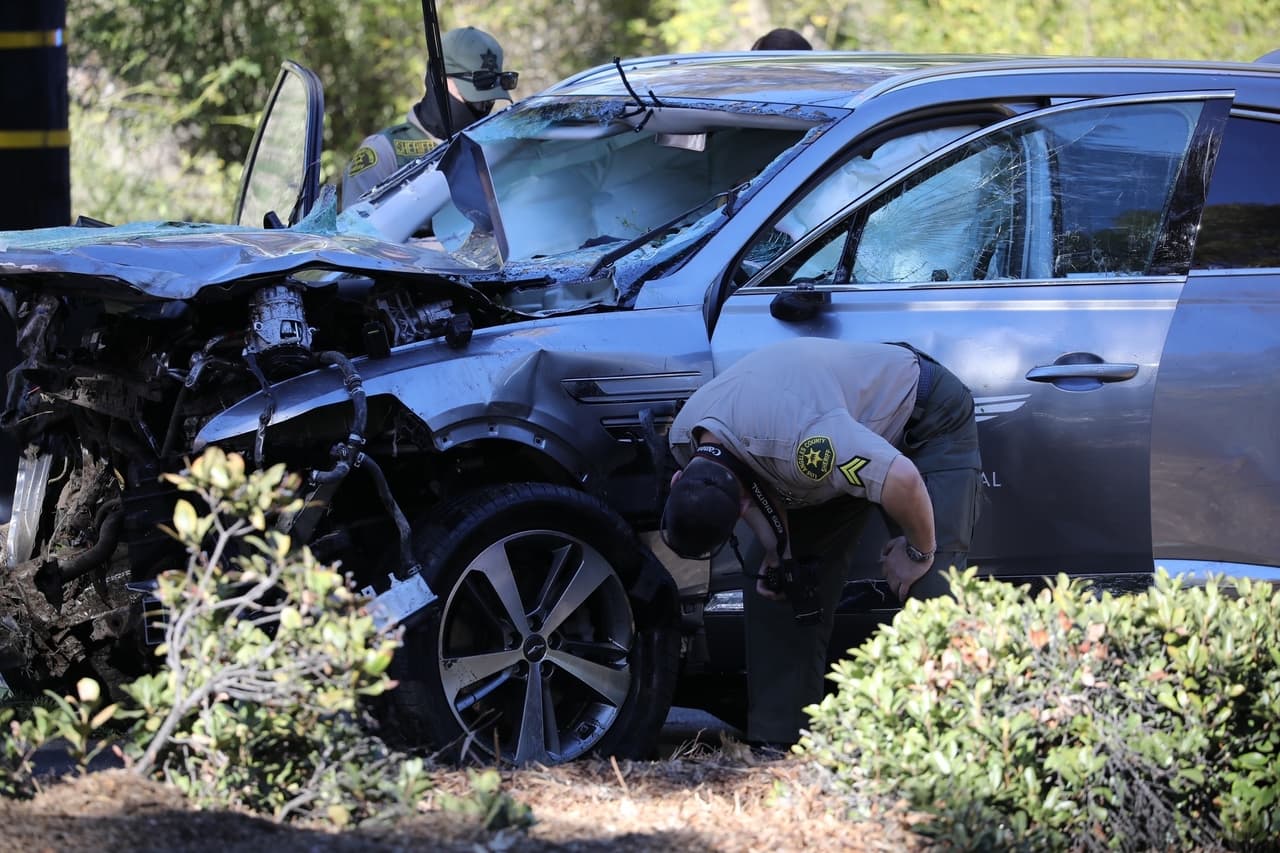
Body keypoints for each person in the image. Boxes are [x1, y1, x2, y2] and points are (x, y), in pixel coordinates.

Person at [661, 337, 981, 747]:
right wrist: (779, 552)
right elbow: (751, 477)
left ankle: (955, 745)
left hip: (920, 418)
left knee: (931, 587)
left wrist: (918, 553)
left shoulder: (808, 447)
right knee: (781, 585)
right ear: (678, 478)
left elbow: (901, 479)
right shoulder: (686, 436)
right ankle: (780, 744)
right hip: (826, 433)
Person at [341, 26, 518, 208]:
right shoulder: (384, 153)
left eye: (488, 100)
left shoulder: (495, 149)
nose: (482, 108)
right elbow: (356, 225)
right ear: (437, 79)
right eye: (472, 97)